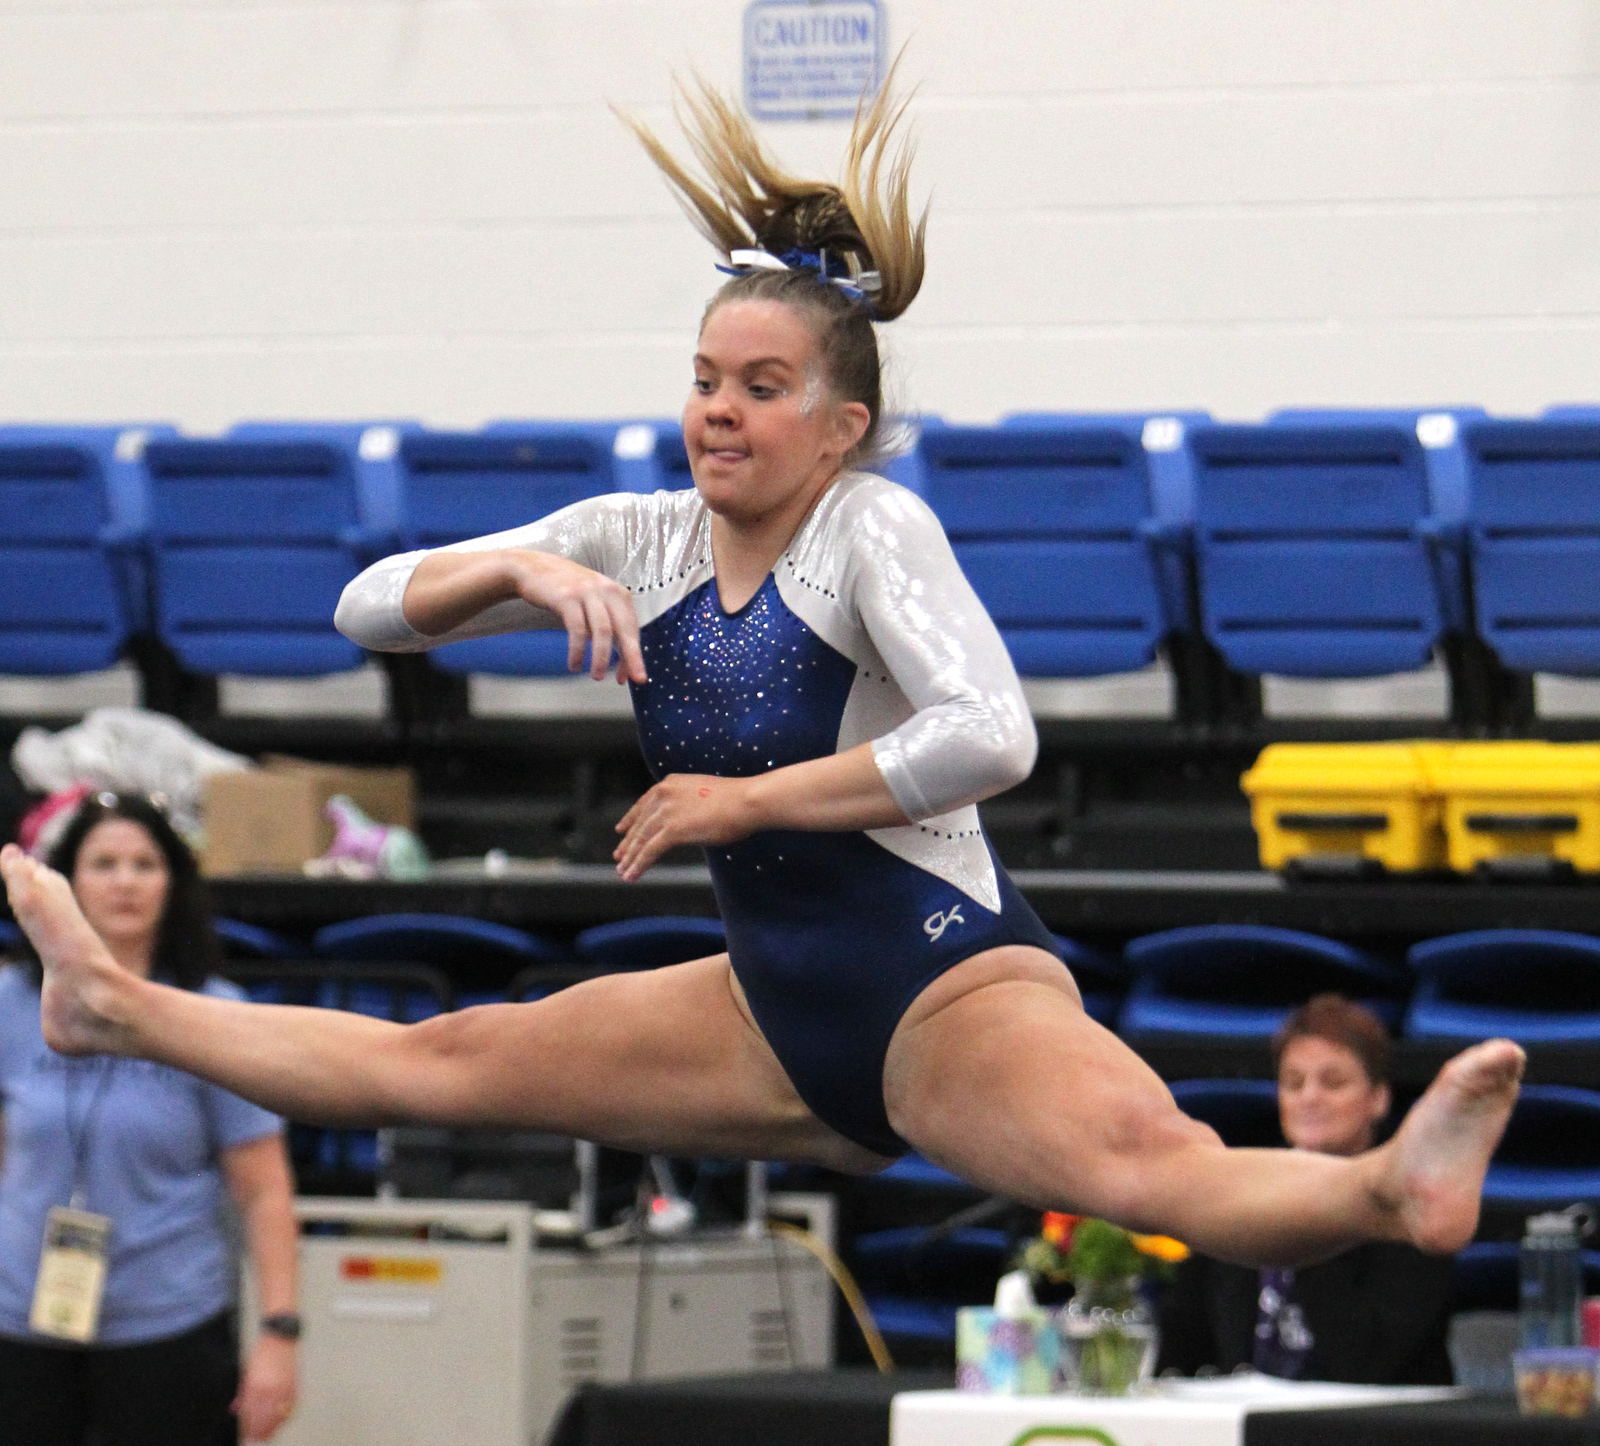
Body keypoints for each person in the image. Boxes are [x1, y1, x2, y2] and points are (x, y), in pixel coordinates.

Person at [0, 74, 1523, 1283]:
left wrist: (751, 799)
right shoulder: (633, 534)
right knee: (441, 1059)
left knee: (1147, 1164)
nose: (719, 413)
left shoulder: (874, 530)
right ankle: (112, 1007)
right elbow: (366, 609)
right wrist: (517, 570)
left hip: (944, 986)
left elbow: (993, 735)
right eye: (705, 380)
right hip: (769, 1016)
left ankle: (1388, 1189)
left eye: (763, 388)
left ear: (840, 423)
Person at [0, 794, 298, 1445]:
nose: (126, 881)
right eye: (104, 863)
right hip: (21, 1318)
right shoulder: (11, 1003)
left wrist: (280, 1332)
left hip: (168, 1322)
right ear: (69, 882)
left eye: (145, 864)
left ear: (173, 883)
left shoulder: (213, 1011)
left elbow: (263, 1188)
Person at [1159, 995, 1455, 1384]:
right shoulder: (1236, 1191)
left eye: (1332, 1083)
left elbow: (1367, 1363)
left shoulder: (1411, 1205)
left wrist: (1313, 1209)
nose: (1309, 1098)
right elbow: (1183, 1354)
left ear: (1379, 1098)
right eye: (1294, 1083)